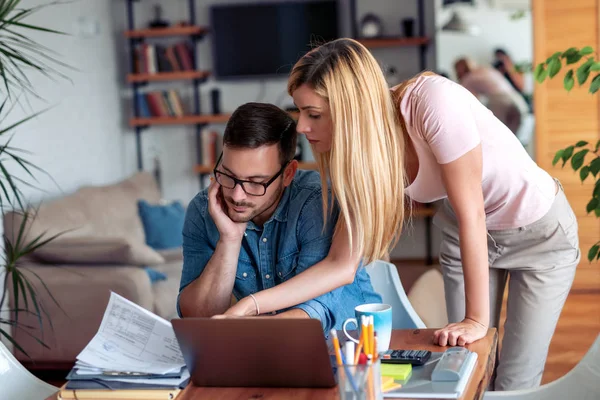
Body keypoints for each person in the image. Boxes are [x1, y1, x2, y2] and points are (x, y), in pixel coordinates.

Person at [221, 39, 580, 391]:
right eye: (299, 112)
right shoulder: (361, 155)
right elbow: (340, 265)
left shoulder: (431, 102)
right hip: (463, 233)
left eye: (313, 114)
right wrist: (249, 307)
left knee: (514, 381)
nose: (300, 127)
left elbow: (475, 214)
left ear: (350, 109)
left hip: (539, 233)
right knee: (467, 366)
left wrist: (474, 320)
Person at [177, 102, 381, 333]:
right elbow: (199, 320)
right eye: (228, 175)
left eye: (255, 182)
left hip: (352, 345)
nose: (236, 195)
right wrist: (230, 240)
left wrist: (245, 319)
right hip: (268, 349)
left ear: (287, 174)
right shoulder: (205, 209)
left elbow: (313, 316)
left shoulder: (318, 203)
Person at [454, 57, 529, 135]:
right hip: (517, 98)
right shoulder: (487, 70)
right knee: (515, 137)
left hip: (500, 103)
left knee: (498, 135)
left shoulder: (468, 78)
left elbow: (465, 101)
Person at [493, 48, 533, 112]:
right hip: (506, 99)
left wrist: (508, 66)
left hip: (520, 98)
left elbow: (520, 86)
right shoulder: (497, 70)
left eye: (501, 58)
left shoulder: (516, 68)